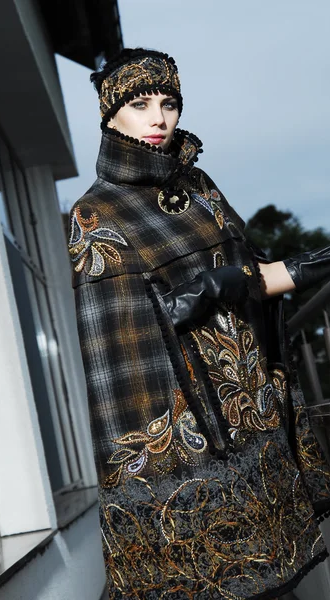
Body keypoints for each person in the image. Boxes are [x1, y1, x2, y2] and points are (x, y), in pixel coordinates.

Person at [68, 47, 330, 599]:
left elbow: (252, 277)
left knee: (281, 577)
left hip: (258, 410)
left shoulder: (200, 186)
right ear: (109, 113)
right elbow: (119, 352)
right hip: (197, 436)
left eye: (169, 103)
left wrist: (313, 264)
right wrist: (197, 295)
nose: (158, 119)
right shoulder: (97, 214)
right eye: (139, 104)